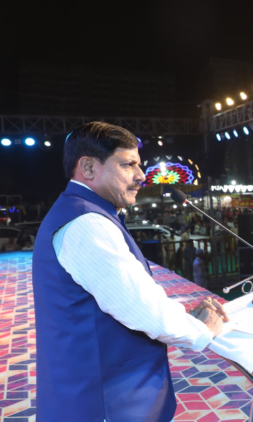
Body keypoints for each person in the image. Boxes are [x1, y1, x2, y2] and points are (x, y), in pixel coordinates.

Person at [31, 122, 226, 421]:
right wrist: (202, 330)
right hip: (104, 400)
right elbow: (138, 305)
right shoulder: (87, 223)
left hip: (102, 388)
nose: (141, 175)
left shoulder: (86, 212)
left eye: (139, 164)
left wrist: (186, 317)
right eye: (127, 164)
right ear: (88, 168)